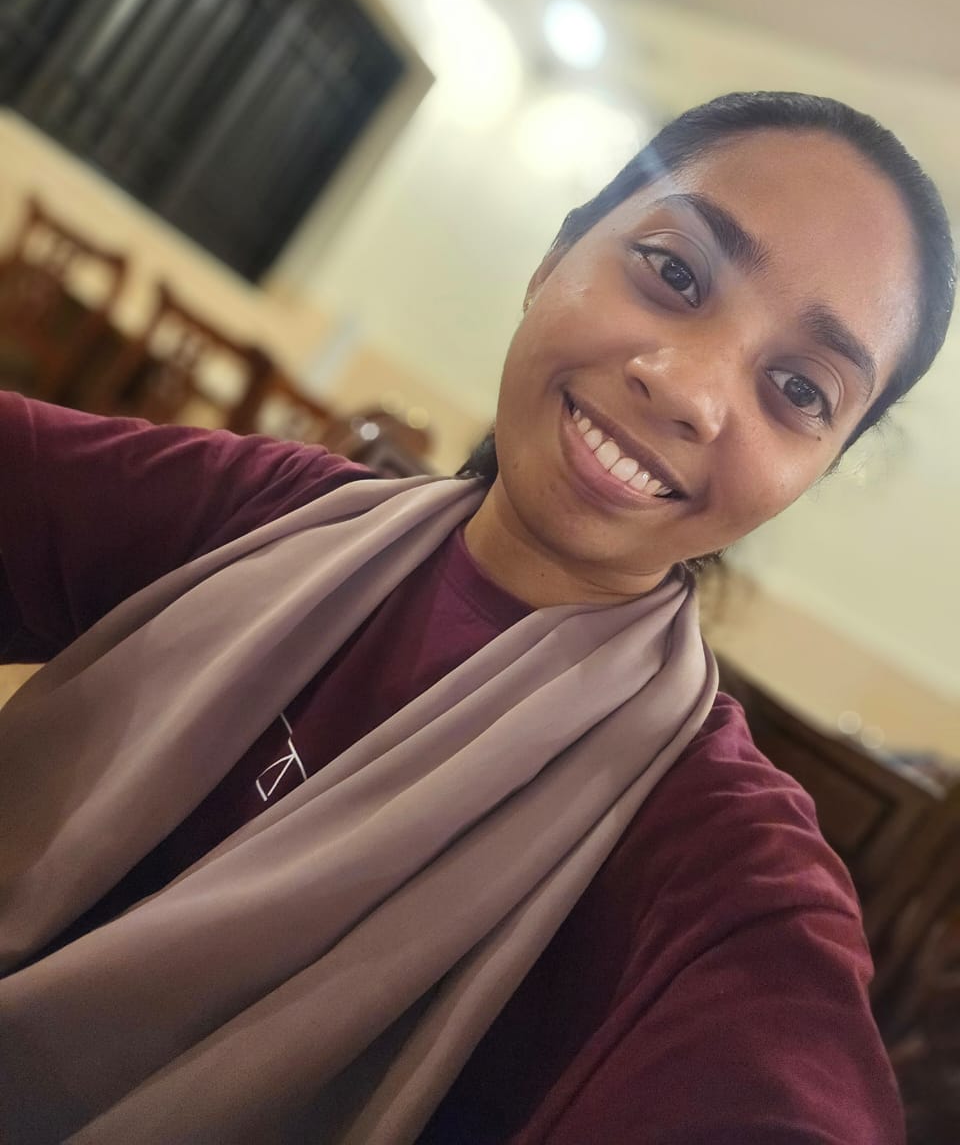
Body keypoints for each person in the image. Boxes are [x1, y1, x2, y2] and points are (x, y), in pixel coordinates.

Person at [0, 92, 954, 1145]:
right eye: (676, 273)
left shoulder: (710, 854)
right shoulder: (271, 517)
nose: (690, 390)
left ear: (814, 472)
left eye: (800, 390)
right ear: (555, 258)